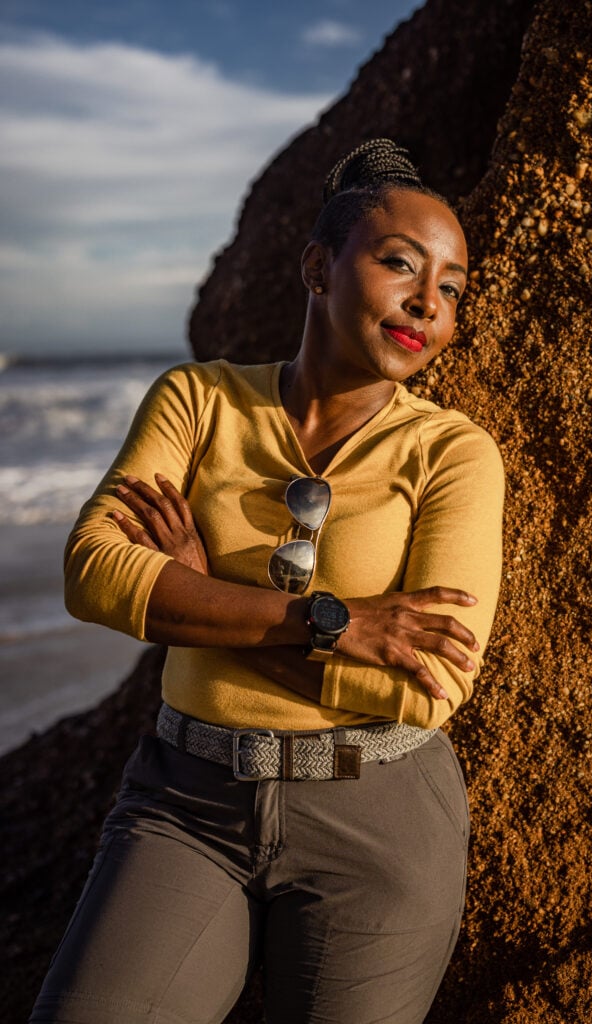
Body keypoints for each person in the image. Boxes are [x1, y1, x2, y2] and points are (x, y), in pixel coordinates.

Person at [30, 138, 504, 1024]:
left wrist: (193, 604)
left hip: (380, 816)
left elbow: (425, 688)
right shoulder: (198, 400)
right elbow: (93, 572)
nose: (425, 304)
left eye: (450, 287)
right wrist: (333, 620)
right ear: (318, 267)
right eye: (399, 264)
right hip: (185, 800)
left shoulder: (454, 453)